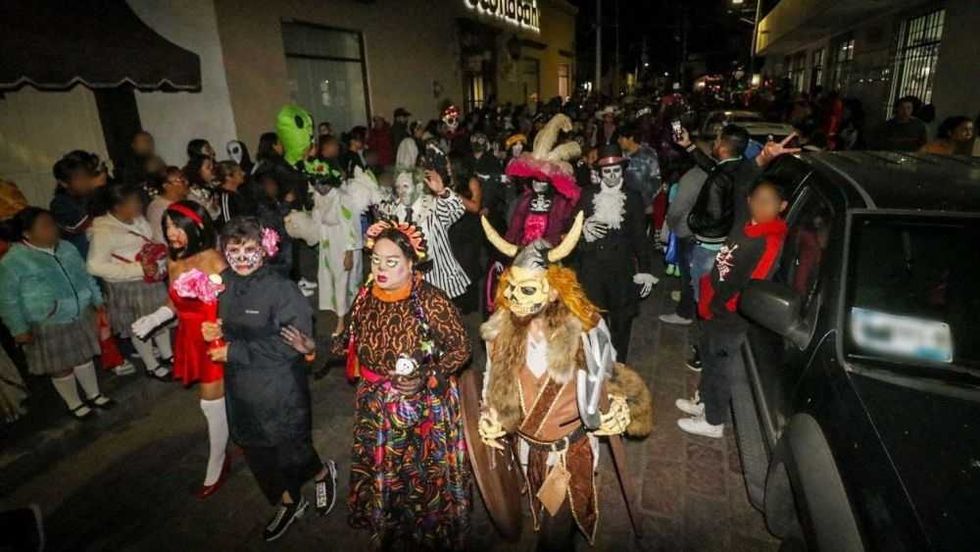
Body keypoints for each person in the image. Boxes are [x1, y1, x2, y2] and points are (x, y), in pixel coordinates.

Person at [479, 212, 651, 550]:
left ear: (554, 290)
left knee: (555, 537)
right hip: (526, 449)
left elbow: (609, 376)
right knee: (538, 515)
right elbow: (490, 382)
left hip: (566, 455)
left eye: (527, 289)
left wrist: (619, 408)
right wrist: (489, 415)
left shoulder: (584, 331)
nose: (515, 298)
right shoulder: (499, 330)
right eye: (510, 286)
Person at [327, 220, 471, 549]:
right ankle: (387, 523)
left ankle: (424, 528)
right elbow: (347, 340)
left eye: (391, 261)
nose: (380, 268)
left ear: (410, 263)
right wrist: (314, 349)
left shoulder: (431, 301)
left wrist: (428, 376)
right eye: (376, 259)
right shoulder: (365, 296)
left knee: (417, 475)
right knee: (384, 469)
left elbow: (462, 348)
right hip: (375, 405)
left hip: (420, 411)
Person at [203, 217, 335, 542]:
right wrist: (212, 330)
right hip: (241, 389)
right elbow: (219, 324)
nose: (243, 257)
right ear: (224, 252)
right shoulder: (221, 283)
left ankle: (321, 472)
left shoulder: (281, 290)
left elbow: (291, 345)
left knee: (292, 447)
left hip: (280, 389)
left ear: (265, 250)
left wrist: (234, 352)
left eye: (250, 249)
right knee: (257, 451)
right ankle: (289, 502)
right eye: (235, 250)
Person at [130, 200, 231, 498]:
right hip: (189, 337)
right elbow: (174, 300)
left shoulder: (214, 259)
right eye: (167, 227)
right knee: (220, 401)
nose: (171, 233)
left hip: (215, 336)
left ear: (197, 226)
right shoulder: (174, 261)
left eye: (177, 226)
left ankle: (218, 463)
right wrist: (156, 317)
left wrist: (223, 328)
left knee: (210, 404)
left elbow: (236, 302)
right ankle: (233, 438)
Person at [676, 179, 789, 438]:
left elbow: (754, 284)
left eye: (768, 202)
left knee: (719, 366)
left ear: (782, 206)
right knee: (707, 356)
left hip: (730, 315)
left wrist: (721, 305)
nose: (760, 205)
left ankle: (714, 420)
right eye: (757, 199)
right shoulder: (748, 226)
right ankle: (704, 401)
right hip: (714, 303)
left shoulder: (769, 240)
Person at [0, 208, 113, 419]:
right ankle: (74, 403)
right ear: (26, 233)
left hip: (79, 313)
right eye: (45, 226)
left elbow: (85, 276)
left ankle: (94, 394)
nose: (52, 230)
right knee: (60, 365)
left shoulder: (67, 248)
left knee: (84, 357)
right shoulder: (13, 262)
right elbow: (8, 301)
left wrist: (97, 299)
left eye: (52, 224)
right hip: (48, 321)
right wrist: (18, 329)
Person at [577, 144, 657, 362]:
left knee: (622, 323)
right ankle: (597, 365)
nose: (611, 176)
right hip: (592, 269)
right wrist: (583, 230)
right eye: (606, 171)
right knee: (594, 322)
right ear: (600, 173)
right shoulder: (587, 194)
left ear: (622, 171)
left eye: (616, 171)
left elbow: (641, 238)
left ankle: (619, 367)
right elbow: (571, 230)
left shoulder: (633, 198)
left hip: (621, 270)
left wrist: (645, 271)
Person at [87, 183, 172, 380]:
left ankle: (168, 355)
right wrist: (136, 269)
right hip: (129, 286)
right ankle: (151, 365)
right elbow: (94, 266)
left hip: (150, 279)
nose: (138, 205)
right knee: (139, 325)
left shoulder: (137, 220)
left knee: (160, 319)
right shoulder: (104, 231)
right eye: (133, 202)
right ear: (117, 206)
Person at [504, 114, 581, 247]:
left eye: (543, 181)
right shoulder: (525, 199)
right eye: (535, 180)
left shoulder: (560, 203)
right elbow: (515, 226)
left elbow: (563, 228)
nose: (538, 185)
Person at [659, 165, 707, 328]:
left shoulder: (694, 176)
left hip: (688, 231)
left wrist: (672, 224)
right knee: (694, 271)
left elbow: (676, 209)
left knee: (689, 273)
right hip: (703, 231)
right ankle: (689, 298)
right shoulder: (718, 171)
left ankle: (685, 312)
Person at [447, 154, 483, 314]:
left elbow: (475, 207)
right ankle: (453, 301)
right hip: (452, 229)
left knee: (467, 266)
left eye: (449, 164)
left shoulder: (471, 182)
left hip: (468, 229)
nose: (446, 166)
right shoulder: (447, 181)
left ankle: (468, 304)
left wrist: (454, 195)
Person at [50, 151, 100, 258]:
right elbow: (79, 226)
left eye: (87, 176)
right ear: (64, 183)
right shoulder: (59, 204)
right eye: (79, 178)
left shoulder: (93, 194)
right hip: (81, 254)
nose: (86, 181)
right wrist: (94, 192)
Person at [618, 122, 662, 217]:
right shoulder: (619, 156)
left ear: (631, 138)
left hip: (644, 207)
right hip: (623, 207)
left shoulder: (648, 154)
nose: (619, 140)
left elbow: (656, 180)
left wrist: (648, 202)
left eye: (622, 138)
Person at [146, 167, 190, 244]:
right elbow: (161, 238)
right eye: (181, 180)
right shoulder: (158, 208)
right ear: (166, 186)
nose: (186, 182)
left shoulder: (185, 200)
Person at [213, 160, 255, 227]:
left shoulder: (241, 191)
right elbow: (229, 224)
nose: (243, 173)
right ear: (228, 177)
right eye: (239, 173)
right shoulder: (226, 198)